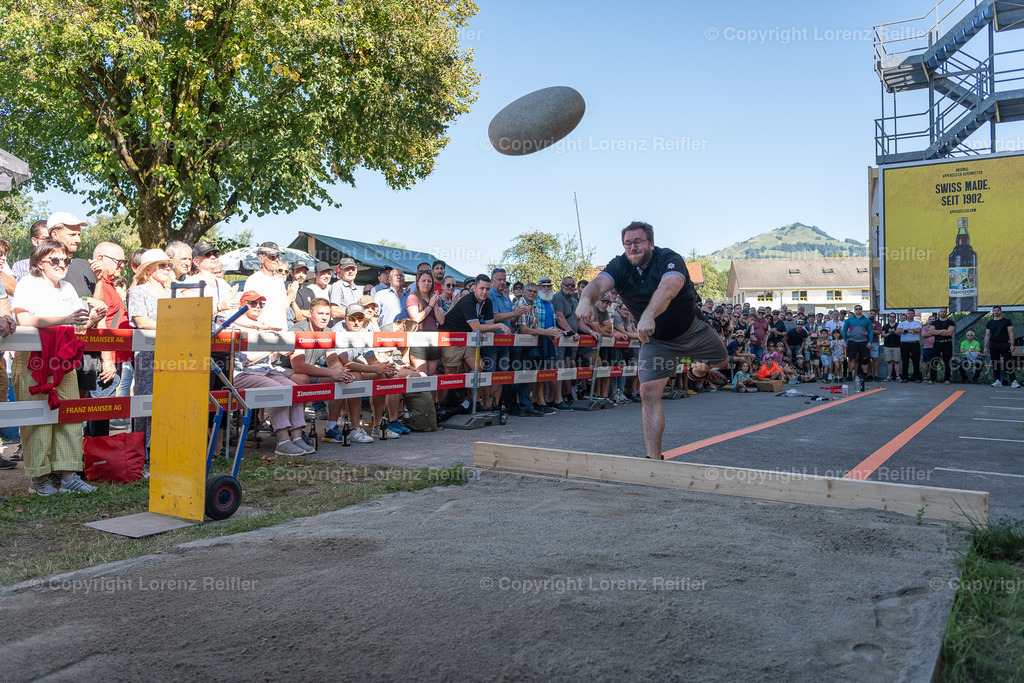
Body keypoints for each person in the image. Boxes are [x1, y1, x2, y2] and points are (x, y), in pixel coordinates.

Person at [577, 221, 727, 460]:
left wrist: (648, 314)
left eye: (637, 242)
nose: (632, 247)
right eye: (627, 243)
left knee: (722, 359)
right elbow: (596, 284)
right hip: (657, 341)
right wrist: (585, 300)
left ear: (650, 243)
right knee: (647, 392)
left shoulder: (669, 259)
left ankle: (699, 371)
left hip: (691, 329)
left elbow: (668, 288)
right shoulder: (619, 265)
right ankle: (653, 459)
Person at [13, 240, 105, 495]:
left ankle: (68, 475)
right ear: (40, 264)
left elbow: (77, 325)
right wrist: (65, 319)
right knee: (37, 417)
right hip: (33, 357)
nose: (62, 265)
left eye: (66, 260)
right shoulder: (27, 284)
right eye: (55, 260)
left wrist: (92, 319)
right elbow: (25, 318)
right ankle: (39, 479)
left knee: (69, 414)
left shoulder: (68, 288)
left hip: (63, 360)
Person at [229, 291, 312, 456]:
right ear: (241, 305)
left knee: (294, 388)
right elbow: (246, 360)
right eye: (252, 303)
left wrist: (280, 353)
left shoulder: (261, 326)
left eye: (260, 304)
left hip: (264, 371)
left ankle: (296, 437)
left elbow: (268, 358)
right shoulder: (235, 327)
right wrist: (274, 348)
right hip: (242, 374)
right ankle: (282, 441)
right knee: (280, 392)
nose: (257, 306)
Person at [279, 298, 363, 443]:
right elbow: (298, 366)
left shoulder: (328, 332)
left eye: (327, 314)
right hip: (284, 369)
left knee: (340, 378)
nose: (324, 317)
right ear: (310, 314)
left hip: (307, 369)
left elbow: (333, 361)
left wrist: (340, 372)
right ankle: (297, 429)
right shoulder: (298, 330)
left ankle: (331, 427)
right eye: (320, 313)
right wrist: (332, 372)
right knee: (302, 378)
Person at [127, 249, 174, 451]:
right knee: (146, 403)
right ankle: (143, 454)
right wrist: (174, 326)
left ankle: (165, 448)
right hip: (149, 354)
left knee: (170, 402)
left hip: (174, 353)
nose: (167, 269)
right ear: (148, 270)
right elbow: (141, 321)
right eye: (162, 265)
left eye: (168, 265)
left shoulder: (173, 292)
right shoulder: (138, 291)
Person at [85, 241, 127, 438]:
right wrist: (107, 360)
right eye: (119, 261)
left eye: (124, 261)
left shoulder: (108, 286)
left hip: (114, 357)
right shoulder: (100, 287)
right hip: (106, 360)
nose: (122, 265)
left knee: (101, 411)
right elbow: (101, 325)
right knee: (100, 412)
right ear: (100, 259)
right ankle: (96, 461)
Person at [406, 270, 446, 378]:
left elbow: (441, 321)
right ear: (418, 283)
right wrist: (430, 306)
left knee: (431, 376)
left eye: (429, 281)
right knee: (422, 376)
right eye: (423, 281)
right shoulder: (412, 298)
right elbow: (415, 319)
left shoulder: (437, 300)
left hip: (433, 339)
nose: (426, 283)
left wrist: (435, 304)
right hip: (418, 338)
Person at [243, 242, 289, 331]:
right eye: (272, 257)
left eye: (278, 256)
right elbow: (247, 310)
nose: (276, 260)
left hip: (281, 333)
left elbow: (283, 310)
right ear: (261, 258)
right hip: (261, 334)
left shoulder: (279, 281)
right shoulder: (253, 280)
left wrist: (285, 330)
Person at [984, 305, 1016, 387]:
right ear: (993, 312)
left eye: (998, 310)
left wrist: (1012, 345)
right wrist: (985, 347)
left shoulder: (1007, 321)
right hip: (994, 344)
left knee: (1008, 362)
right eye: (995, 310)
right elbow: (987, 335)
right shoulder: (989, 323)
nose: (996, 312)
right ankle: (997, 380)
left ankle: (1013, 381)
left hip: (1004, 344)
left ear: (1001, 311)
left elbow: (1011, 333)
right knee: (995, 362)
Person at [841, 305, 872, 385]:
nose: (858, 310)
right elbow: (844, 330)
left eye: (859, 309)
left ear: (862, 310)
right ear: (854, 310)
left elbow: (870, 331)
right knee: (851, 358)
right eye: (856, 309)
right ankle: (850, 375)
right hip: (852, 341)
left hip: (863, 341)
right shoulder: (849, 320)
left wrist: (870, 342)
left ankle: (864, 375)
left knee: (865, 359)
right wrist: (844, 340)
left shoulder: (866, 320)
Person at [928, 307, 955, 385]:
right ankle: (932, 379)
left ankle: (947, 379)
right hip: (937, 343)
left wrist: (937, 332)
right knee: (934, 360)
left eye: (944, 311)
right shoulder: (934, 322)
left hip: (947, 343)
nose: (942, 313)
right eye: (941, 311)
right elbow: (932, 332)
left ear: (946, 312)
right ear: (939, 312)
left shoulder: (951, 322)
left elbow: (949, 333)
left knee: (947, 361)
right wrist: (943, 331)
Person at [897, 308, 923, 383]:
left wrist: (908, 329)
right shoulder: (902, 323)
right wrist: (908, 330)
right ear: (907, 314)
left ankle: (917, 377)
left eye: (912, 313)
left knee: (916, 361)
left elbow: (918, 330)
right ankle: (904, 378)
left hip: (915, 343)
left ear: (914, 314)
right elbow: (899, 331)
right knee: (905, 361)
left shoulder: (917, 323)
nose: (910, 315)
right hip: (905, 344)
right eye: (909, 313)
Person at [881, 312, 901, 381]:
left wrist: (894, 331)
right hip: (887, 345)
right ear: (888, 317)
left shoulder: (898, 325)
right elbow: (882, 335)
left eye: (894, 316)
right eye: (891, 316)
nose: (892, 317)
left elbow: (900, 334)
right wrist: (889, 333)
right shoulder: (885, 326)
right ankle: (889, 376)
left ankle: (898, 376)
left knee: (896, 361)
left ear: (895, 318)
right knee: (889, 361)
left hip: (897, 346)